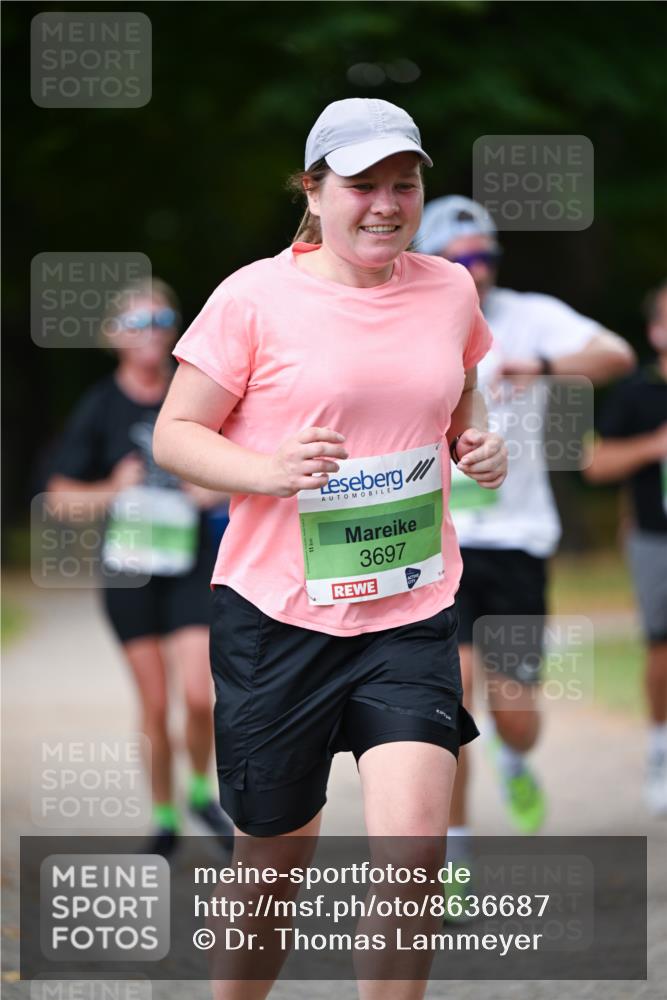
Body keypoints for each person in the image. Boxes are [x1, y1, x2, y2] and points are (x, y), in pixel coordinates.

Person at [153, 98, 507, 999]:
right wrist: (268, 470)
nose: (386, 204)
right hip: (278, 620)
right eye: (361, 187)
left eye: (404, 184)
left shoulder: (447, 290)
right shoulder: (252, 296)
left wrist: (478, 443)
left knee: (413, 856)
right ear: (314, 192)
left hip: (411, 612)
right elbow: (176, 435)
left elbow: (455, 396)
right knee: (273, 865)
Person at [415, 196, 635, 841]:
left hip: (516, 542)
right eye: (459, 258)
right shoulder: (410, 327)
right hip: (436, 543)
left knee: (515, 714)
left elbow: (616, 355)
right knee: (446, 701)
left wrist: (538, 367)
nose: (475, 269)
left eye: (484, 255)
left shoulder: (529, 316)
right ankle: (452, 852)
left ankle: (514, 758)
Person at [47, 278, 234, 855]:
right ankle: (164, 817)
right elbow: (60, 498)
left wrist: (211, 488)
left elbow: (241, 470)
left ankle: (202, 791)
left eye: (160, 320)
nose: (150, 332)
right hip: (130, 573)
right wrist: (112, 487)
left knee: (201, 696)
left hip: (190, 566)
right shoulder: (100, 407)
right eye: (136, 322)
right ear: (113, 336)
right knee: (155, 702)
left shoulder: (195, 396)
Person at [584, 280, 667, 816]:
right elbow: (595, 464)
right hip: (656, 539)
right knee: (663, 647)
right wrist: (654, 445)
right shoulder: (637, 394)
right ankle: (662, 749)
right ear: (658, 331)